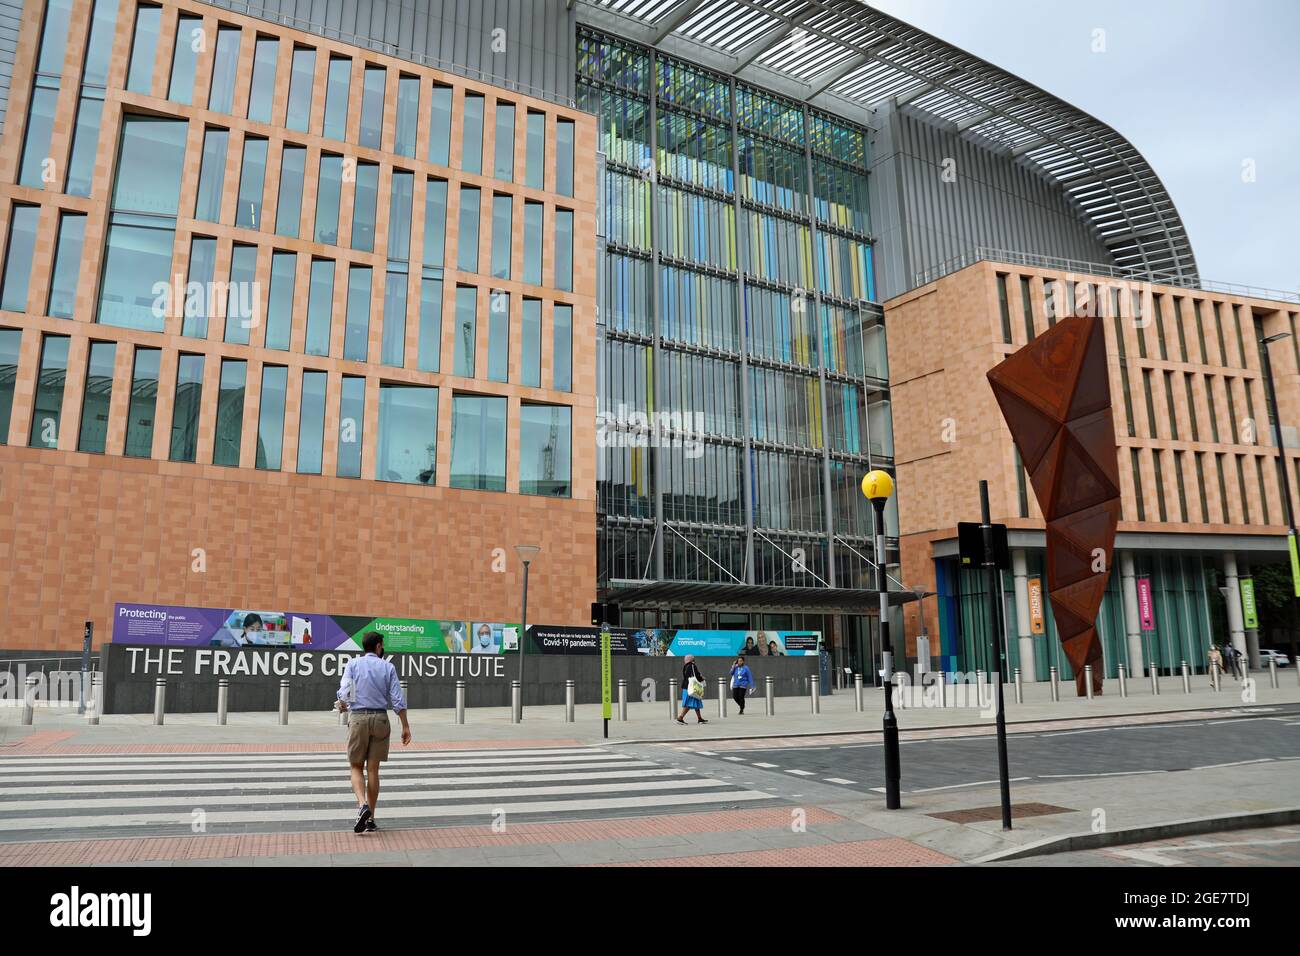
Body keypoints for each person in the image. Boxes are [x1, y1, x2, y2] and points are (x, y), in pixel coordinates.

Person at [335, 632, 412, 833]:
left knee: (355, 766)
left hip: (358, 718)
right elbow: (397, 699)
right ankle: (371, 819)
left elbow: (344, 692)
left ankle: (362, 806)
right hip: (380, 719)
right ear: (379, 647)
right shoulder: (388, 667)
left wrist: (342, 704)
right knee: (373, 770)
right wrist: (405, 726)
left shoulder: (353, 664)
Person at [676, 654, 708, 725]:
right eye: (693, 659)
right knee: (688, 704)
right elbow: (696, 675)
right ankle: (680, 718)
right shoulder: (692, 665)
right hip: (690, 687)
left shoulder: (685, 666)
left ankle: (700, 719)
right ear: (692, 659)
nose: (694, 660)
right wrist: (701, 678)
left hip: (687, 686)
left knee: (696, 701)